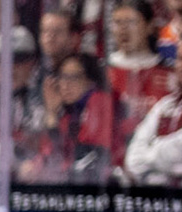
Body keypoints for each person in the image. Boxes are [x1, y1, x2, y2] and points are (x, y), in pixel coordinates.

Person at [19, 53, 118, 182]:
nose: (65, 85)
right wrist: (51, 113)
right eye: (62, 77)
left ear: (90, 81)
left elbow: (85, 155)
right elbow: (50, 155)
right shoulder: (67, 112)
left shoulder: (99, 101)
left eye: (74, 78)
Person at [125, 28, 182, 184]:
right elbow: (133, 159)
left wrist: (151, 149)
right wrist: (161, 157)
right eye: (181, 58)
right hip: (158, 200)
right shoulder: (164, 105)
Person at [110, 0, 177, 144]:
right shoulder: (103, 72)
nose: (123, 29)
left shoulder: (169, 73)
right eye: (117, 23)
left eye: (131, 22)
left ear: (149, 26)